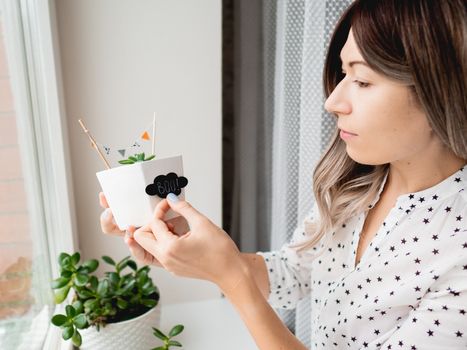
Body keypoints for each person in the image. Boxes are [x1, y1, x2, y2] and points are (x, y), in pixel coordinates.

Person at [99, 0, 467, 348]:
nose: (332, 101)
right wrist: (190, 247)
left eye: (363, 81)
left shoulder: (458, 252)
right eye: (343, 74)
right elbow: (292, 272)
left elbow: (248, 281)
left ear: (441, 89)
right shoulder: (355, 184)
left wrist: (233, 278)